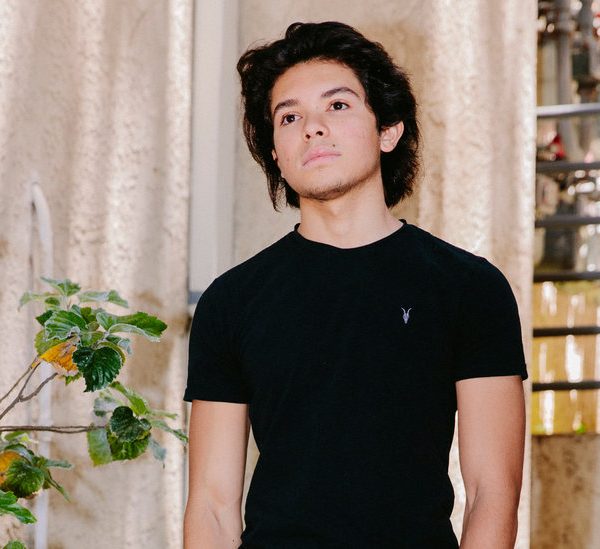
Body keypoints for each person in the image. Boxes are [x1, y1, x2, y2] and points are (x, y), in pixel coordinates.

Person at [183, 21, 528, 549]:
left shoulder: (469, 288)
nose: (312, 128)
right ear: (275, 152)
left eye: (338, 105)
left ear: (388, 130)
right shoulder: (231, 302)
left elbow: (493, 492)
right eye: (289, 117)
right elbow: (211, 505)